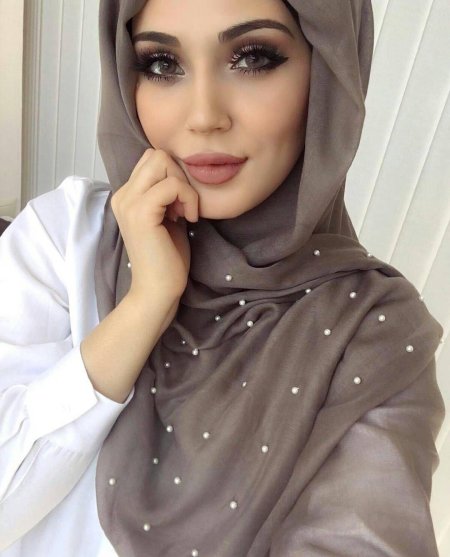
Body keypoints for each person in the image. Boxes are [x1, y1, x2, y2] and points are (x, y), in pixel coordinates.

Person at [0, 1, 445, 556]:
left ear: (329, 73)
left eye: (253, 57)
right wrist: (145, 304)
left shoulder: (373, 331)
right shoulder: (63, 235)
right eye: (162, 64)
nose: (204, 115)